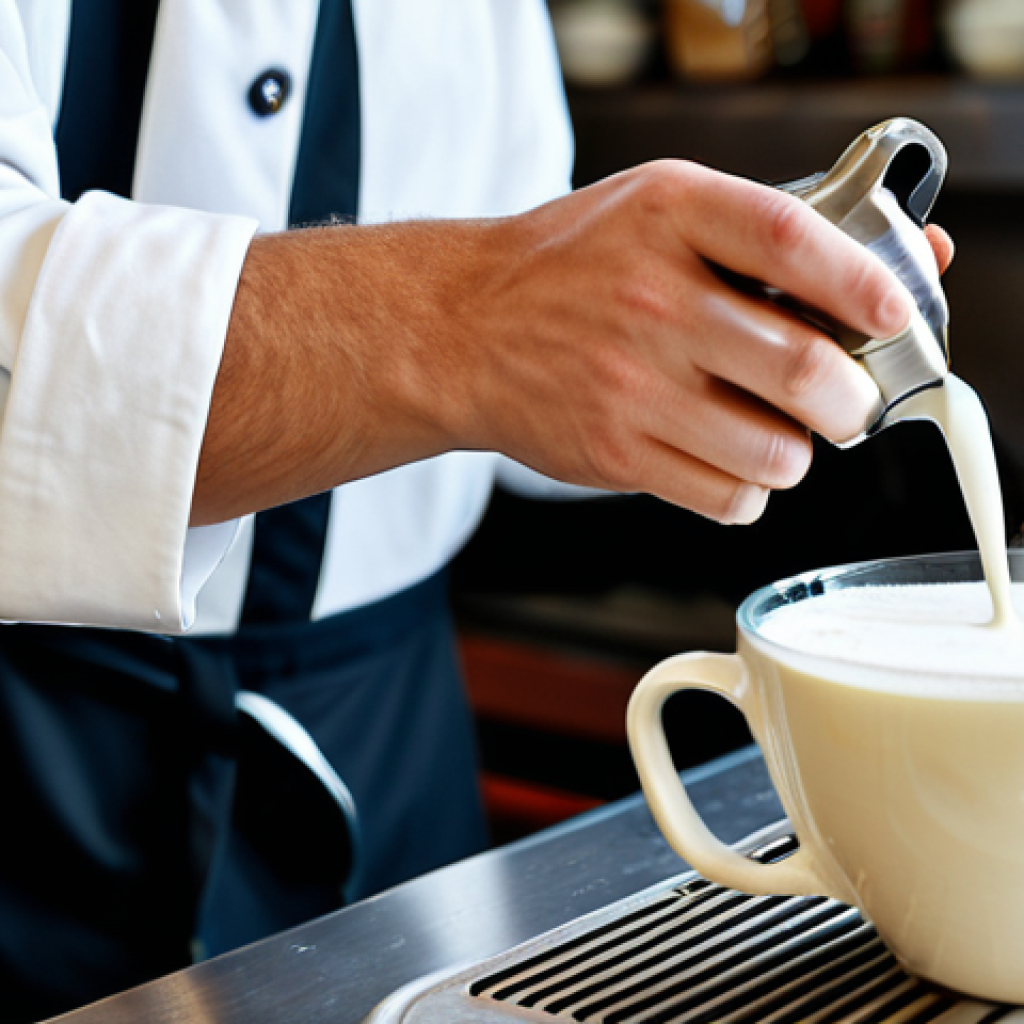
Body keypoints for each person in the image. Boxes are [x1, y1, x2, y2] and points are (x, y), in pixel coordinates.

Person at [0, 2, 953, 1021]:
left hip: (393, 726)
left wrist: (704, 325)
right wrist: (469, 322)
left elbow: (533, 381)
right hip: (33, 757)